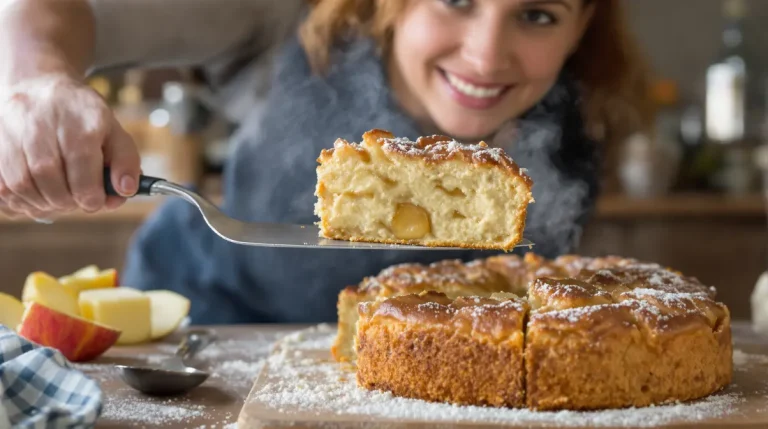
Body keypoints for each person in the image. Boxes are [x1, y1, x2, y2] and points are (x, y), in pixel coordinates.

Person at [0, 0, 654, 324]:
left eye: (538, 14)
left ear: (584, 23)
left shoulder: (580, 118)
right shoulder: (288, 21)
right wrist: (37, 79)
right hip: (198, 340)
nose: (486, 57)